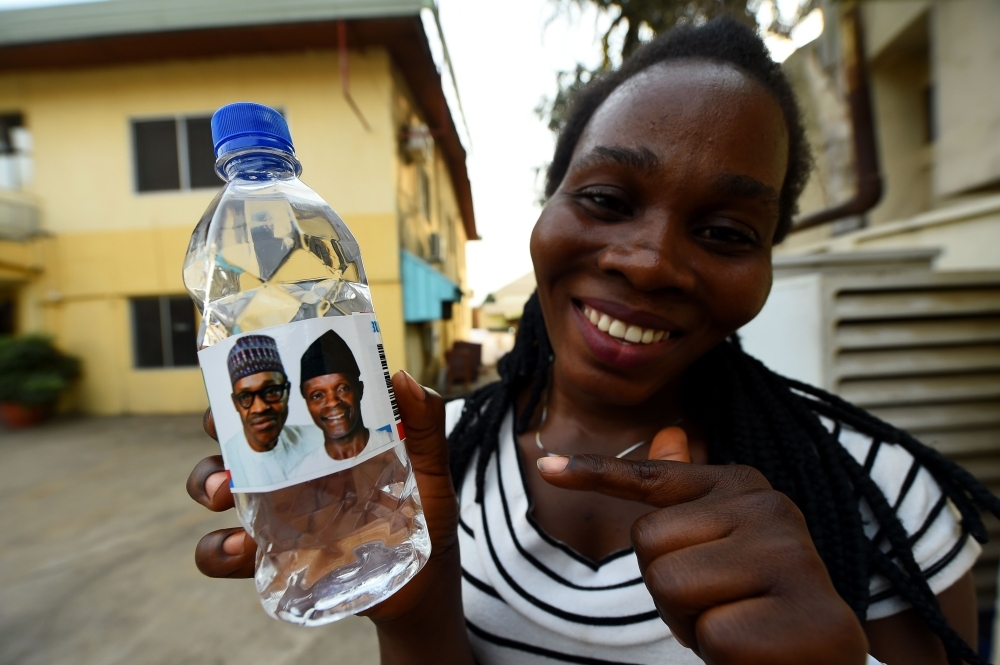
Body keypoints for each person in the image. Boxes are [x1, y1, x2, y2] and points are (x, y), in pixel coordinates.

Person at [187, 18, 1000, 665]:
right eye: (609, 198)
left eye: (723, 229)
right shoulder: (429, 465)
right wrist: (414, 614)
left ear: (768, 260)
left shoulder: (879, 495)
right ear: (549, 208)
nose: (648, 263)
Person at [222, 334, 322, 488]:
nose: (260, 408)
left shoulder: (320, 440)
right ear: (236, 403)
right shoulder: (228, 459)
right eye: (245, 396)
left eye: (271, 391)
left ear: (287, 391)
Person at [297, 329, 395, 462]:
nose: (332, 402)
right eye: (317, 395)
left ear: (359, 390)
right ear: (307, 403)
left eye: (342, 388)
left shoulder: (394, 446)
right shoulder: (304, 472)